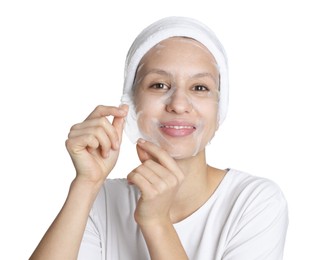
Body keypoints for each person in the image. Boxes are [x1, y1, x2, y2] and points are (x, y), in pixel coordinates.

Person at [30, 16, 288, 260]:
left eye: (200, 88)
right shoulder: (99, 199)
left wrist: (157, 223)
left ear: (221, 108)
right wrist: (86, 184)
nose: (178, 104)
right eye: (159, 85)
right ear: (129, 103)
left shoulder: (254, 201)